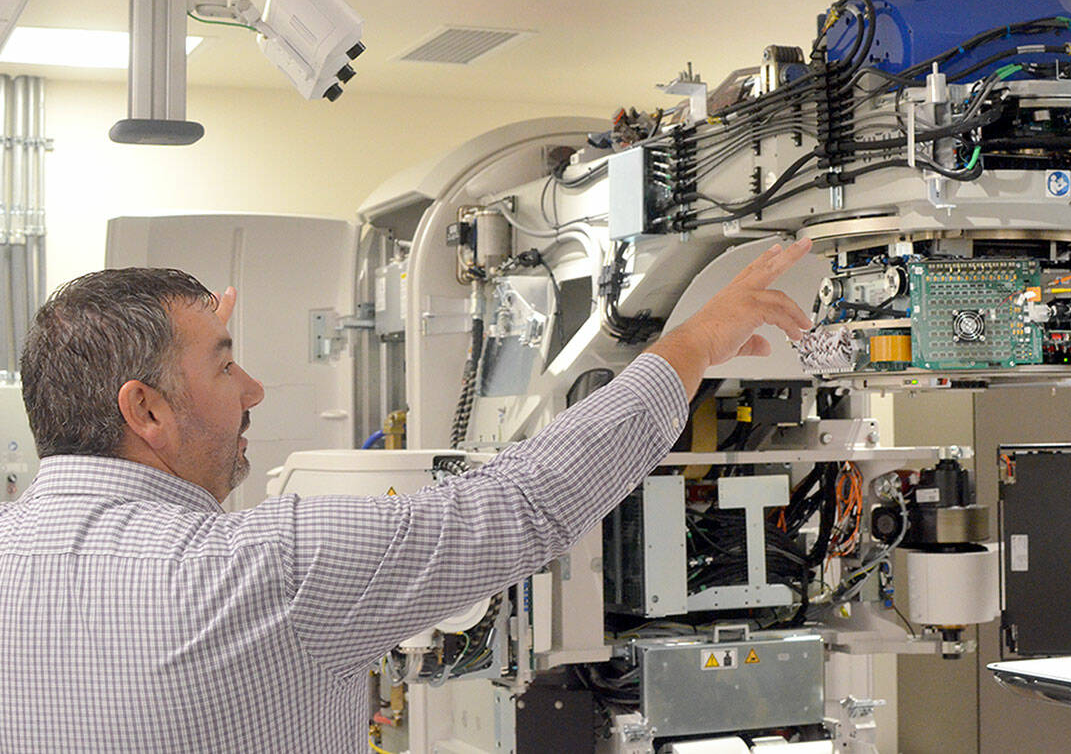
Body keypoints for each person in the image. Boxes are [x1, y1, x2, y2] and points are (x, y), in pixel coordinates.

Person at [0, 239, 812, 753]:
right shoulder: (268, 571)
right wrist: (700, 339)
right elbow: (530, 500)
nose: (251, 390)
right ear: (144, 410)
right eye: (221, 364)